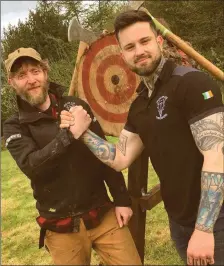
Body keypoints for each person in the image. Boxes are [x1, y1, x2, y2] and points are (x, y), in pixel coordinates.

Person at [60, 10, 224, 265]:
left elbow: (216, 157)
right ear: (122, 55)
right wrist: (83, 133)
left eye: (144, 41)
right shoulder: (140, 104)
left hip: (215, 220)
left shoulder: (192, 83)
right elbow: (121, 157)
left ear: (159, 41)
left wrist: (204, 230)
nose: (139, 51)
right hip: (180, 221)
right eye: (130, 46)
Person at [3, 47, 142, 265]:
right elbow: (33, 167)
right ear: (12, 82)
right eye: (21, 75)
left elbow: (103, 154)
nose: (31, 80)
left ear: (45, 72)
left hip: (102, 214)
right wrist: (68, 135)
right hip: (60, 225)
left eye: (35, 71)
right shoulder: (14, 127)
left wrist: (122, 200)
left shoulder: (76, 106)